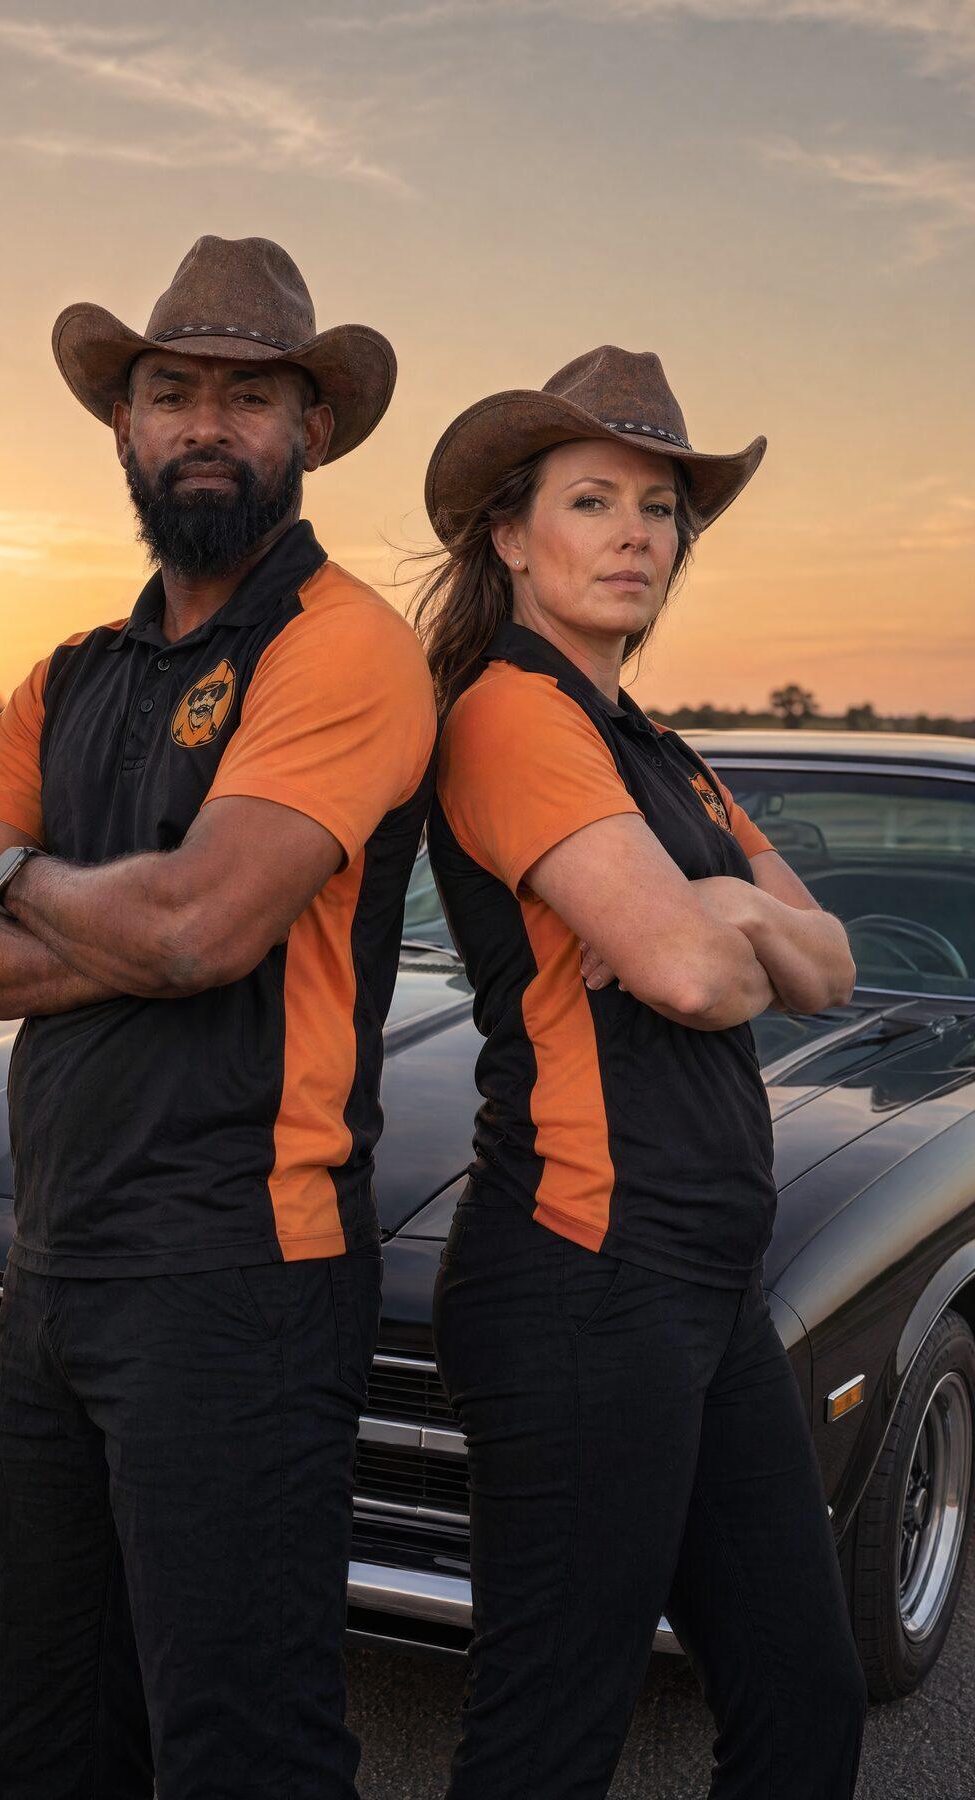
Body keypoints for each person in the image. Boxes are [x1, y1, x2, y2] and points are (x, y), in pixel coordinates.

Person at [0, 234, 436, 1799]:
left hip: (242, 1279)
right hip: (54, 1265)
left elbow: (203, 925)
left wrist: (26, 876)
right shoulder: (66, 679)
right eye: (172, 390)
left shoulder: (345, 645)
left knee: (242, 1752)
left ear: (311, 431)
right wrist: (120, 917)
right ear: (124, 426)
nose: (209, 422)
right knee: (53, 1739)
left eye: (251, 395)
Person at [414, 346, 866, 1799]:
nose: (634, 534)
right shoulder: (507, 713)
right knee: (550, 1742)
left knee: (807, 1709)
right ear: (509, 533)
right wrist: (723, 926)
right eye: (592, 499)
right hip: (578, 1279)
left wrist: (723, 905)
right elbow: (688, 980)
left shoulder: (657, 749)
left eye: (661, 509)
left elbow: (834, 961)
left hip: (708, 1284)